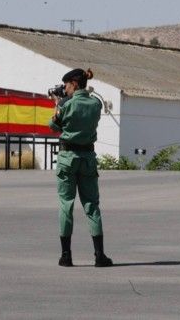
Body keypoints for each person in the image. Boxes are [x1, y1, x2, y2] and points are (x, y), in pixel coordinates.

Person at [48, 68, 113, 267]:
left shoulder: (66, 104)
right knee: (92, 206)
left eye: (67, 85)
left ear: (74, 84)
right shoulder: (95, 103)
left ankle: (66, 255)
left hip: (68, 158)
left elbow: (53, 126)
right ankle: (99, 255)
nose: (64, 89)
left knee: (66, 205)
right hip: (88, 158)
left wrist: (57, 106)